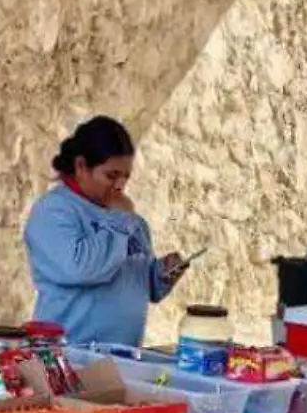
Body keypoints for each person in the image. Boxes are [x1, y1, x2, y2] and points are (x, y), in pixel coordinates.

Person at [23, 116, 190, 347]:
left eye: (126, 176)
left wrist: (161, 274)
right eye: (111, 175)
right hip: (69, 355)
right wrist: (120, 222)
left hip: (123, 354)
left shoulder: (128, 219)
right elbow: (80, 269)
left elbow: (141, 285)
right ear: (81, 166)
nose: (120, 185)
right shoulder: (54, 211)